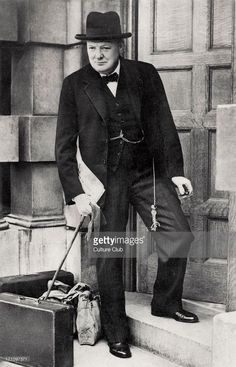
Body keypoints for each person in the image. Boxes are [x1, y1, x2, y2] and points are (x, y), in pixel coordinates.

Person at [55, 11, 198, 359]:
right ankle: (117, 332)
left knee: (177, 232)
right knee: (111, 252)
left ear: (120, 46)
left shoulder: (144, 75)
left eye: (105, 47)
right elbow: (63, 146)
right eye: (92, 48)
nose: (98, 55)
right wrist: (77, 193)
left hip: (144, 173)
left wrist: (175, 171)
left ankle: (165, 302)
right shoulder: (74, 85)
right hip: (103, 182)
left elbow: (164, 125)